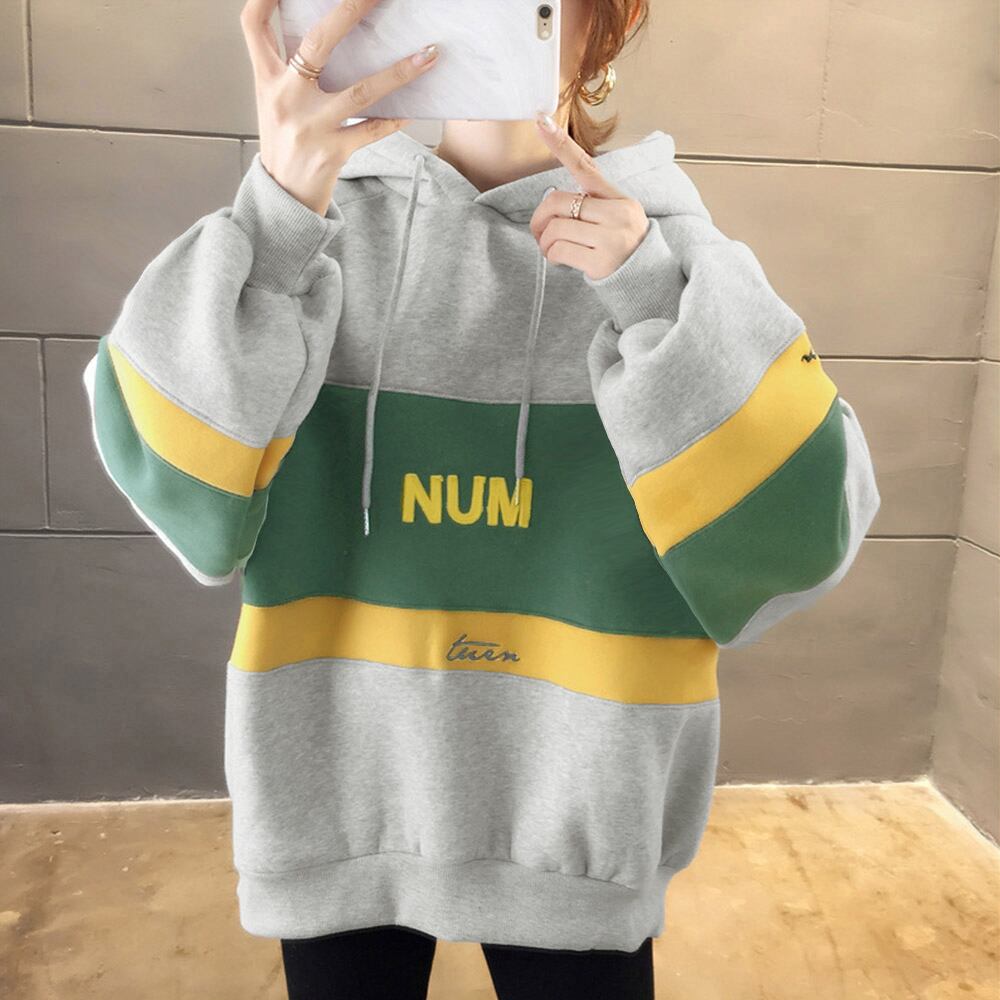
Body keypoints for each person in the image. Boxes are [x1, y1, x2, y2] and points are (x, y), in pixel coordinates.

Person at [81, 0, 882, 996]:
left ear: (601, 28)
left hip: (578, 832)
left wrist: (655, 297)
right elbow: (174, 480)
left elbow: (801, 540)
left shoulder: (672, 257)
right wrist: (273, 215)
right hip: (336, 809)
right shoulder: (306, 234)